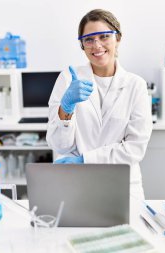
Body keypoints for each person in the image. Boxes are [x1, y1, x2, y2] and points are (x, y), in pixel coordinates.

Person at [46, 9, 152, 199]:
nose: (97, 45)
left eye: (104, 36)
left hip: (122, 184)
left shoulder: (136, 85)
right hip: (78, 183)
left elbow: (135, 148)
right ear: (82, 45)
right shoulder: (68, 79)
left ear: (117, 38)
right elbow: (59, 145)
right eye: (89, 39)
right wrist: (66, 108)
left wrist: (84, 160)